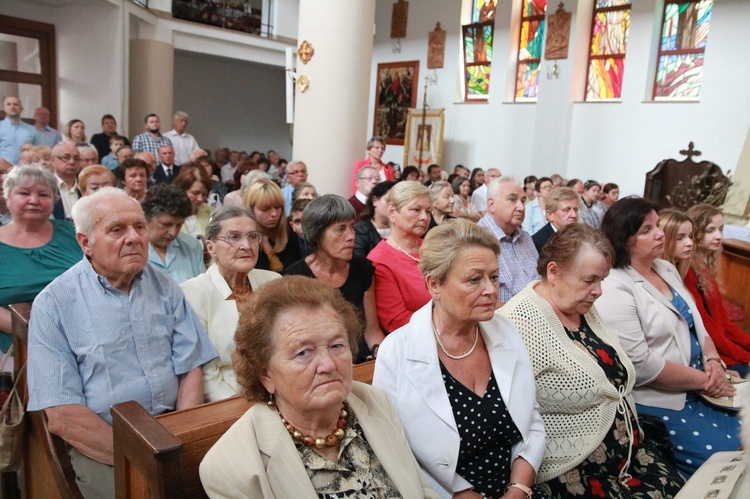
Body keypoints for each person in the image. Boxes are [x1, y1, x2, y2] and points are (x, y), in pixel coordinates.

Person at [27, 188, 217, 498]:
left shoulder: (163, 283)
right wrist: (139, 457)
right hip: (107, 444)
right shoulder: (54, 304)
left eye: (139, 227)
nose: (134, 238)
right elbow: (63, 415)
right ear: (85, 242)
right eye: (117, 229)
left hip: (171, 430)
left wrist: (181, 436)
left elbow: (190, 366)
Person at [199, 276, 437, 497]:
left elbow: (421, 491)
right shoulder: (231, 468)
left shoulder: (374, 402)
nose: (327, 364)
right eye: (303, 352)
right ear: (264, 374)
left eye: (336, 345)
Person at [500, 224, 685, 497]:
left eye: (602, 279)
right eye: (590, 280)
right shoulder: (516, 323)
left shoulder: (580, 306)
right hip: (574, 469)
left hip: (630, 457)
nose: (599, 291)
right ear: (553, 271)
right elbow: (511, 420)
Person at [373, 219, 546, 498]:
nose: (491, 290)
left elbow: (532, 418)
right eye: (474, 279)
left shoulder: (505, 330)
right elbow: (396, 447)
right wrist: (461, 493)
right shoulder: (397, 352)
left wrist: (519, 487)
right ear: (435, 284)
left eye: (494, 276)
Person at [596, 197, 740, 477]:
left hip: (704, 381)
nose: (660, 233)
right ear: (625, 239)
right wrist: (704, 380)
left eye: (658, 225)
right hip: (663, 396)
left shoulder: (666, 268)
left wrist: (713, 360)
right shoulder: (615, 284)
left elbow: (698, 325)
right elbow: (639, 363)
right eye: (647, 230)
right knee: (722, 455)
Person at [181, 207, 280, 402]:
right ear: (211, 248)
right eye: (234, 237)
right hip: (229, 400)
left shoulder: (273, 282)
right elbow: (208, 377)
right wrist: (243, 409)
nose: (246, 245)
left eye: (253, 237)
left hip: (281, 390)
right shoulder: (194, 293)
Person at [285, 195, 385, 362]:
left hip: (362, 357)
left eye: (352, 227)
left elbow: (372, 331)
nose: (351, 236)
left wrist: (380, 354)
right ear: (317, 235)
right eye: (341, 229)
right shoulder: (294, 278)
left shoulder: (363, 269)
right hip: (320, 361)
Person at [0, 166, 82, 348]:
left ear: (54, 200)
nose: (34, 201)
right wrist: (36, 331)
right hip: (14, 349)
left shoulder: (76, 233)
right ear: (7, 198)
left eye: (43, 195)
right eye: (24, 193)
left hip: (80, 338)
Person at [684, 204, 750, 377]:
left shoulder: (704, 266)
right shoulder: (689, 272)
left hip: (721, 342)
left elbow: (723, 321)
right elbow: (706, 328)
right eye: (710, 230)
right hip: (710, 351)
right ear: (695, 232)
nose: (718, 236)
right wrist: (745, 356)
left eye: (721, 229)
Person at [368, 181, 432, 333]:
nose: (424, 217)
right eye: (416, 210)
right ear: (392, 212)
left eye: (428, 211)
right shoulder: (380, 259)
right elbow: (396, 320)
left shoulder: (432, 247)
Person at [478, 177, 540, 304]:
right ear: (491, 205)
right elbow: (479, 299)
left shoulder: (525, 238)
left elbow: (539, 281)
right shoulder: (476, 240)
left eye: (523, 201)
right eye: (512, 200)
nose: (521, 207)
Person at [142, 183, 205, 284]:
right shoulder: (133, 250)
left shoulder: (192, 246)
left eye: (179, 225)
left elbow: (204, 289)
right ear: (146, 218)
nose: (173, 232)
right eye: (166, 224)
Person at [243, 178, 301, 272]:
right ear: (251, 210)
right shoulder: (243, 239)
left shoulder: (289, 231)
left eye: (278, 207)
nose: (274, 214)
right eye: (265, 209)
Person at [353, 180, 394, 260]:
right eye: (388, 201)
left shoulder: (401, 228)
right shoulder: (361, 231)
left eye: (397, 202)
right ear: (375, 201)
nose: (392, 206)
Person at [531, 186, 579, 252]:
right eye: (566, 210)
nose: (574, 215)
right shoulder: (538, 243)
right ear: (550, 214)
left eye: (575, 209)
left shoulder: (582, 236)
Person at [173, 166, 214, 238]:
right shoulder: (169, 214)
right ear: (181, 190)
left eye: (204, 194)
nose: (200, 199)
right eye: (195, 193)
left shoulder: (212, 213)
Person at [0, 96, 38, 164]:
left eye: (15, 104)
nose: (12, 107)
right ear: (4, 108)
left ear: (21, 109)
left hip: (26, 169)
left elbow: (38, 151)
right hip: (3, 170)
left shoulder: (31, 129)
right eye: (8, 104)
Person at [50, 142, 82, 220]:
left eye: (76, 158)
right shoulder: (46, 186)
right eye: (66, 157)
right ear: (53, 160)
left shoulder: (85, 186)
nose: (72, 162)